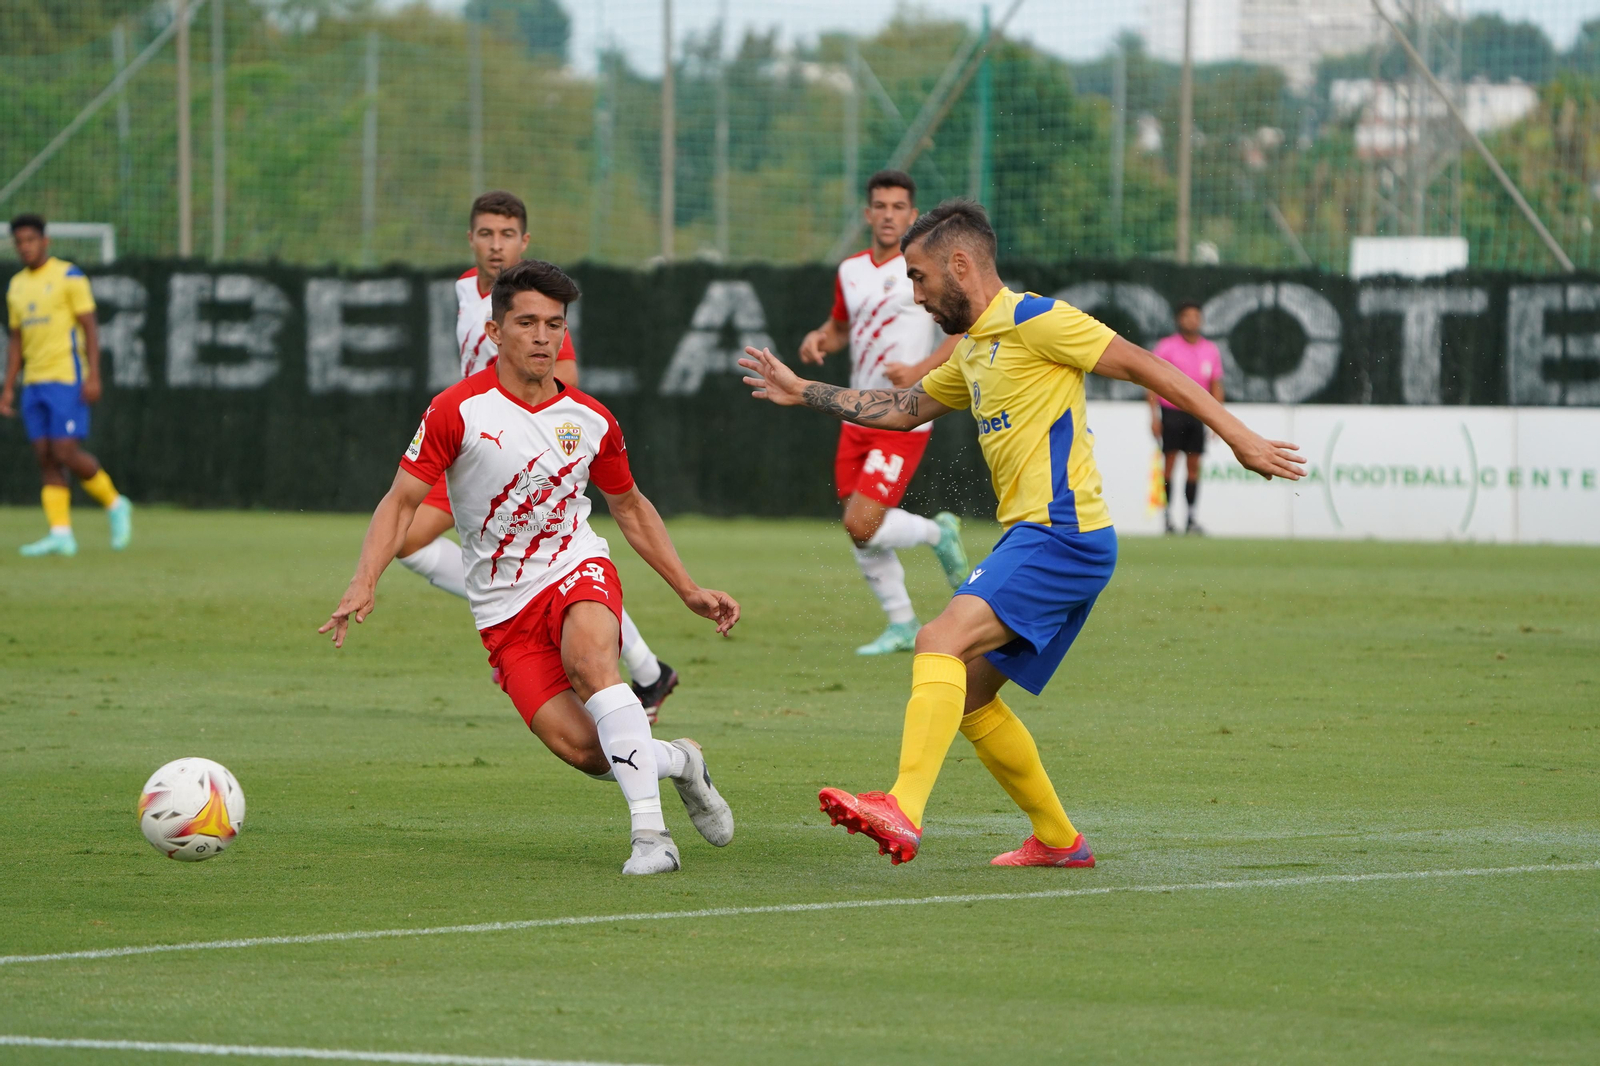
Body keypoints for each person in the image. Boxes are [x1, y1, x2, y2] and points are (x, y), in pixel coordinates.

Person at [739, 200, 1303, 867]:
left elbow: (1150, 366)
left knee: (937, 639)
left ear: (959, 264)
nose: (914, 294)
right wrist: (803, 389)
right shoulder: (975, 349)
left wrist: (1238, 438)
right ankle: (1059, 841)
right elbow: (901, 409)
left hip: (1061, 533)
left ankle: (902, 807)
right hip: (1040, 538)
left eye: (919, 278)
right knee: (972, 698)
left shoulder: (1038, 320)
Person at [321, 260, 739, 875]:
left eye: (554, 324)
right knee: (590, 752)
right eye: (527, 323)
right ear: (495, 333)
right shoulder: (454, 411)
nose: (543, 337)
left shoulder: (592, 419)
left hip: (577, 567)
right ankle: (681, 761)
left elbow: (629, 507)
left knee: (593, 662)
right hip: (501, 608)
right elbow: (400, 500)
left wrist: (687, 588)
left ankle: (652, 840)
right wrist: (365, 578)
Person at [397, 191, 679, 719]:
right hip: (473, 443)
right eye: (486, 233)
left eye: (507, 235)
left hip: (520, 447)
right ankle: (625, 659)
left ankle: (641, 669)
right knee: (406, 539)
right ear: (471, 239)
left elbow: (563, 379)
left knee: (558, 566)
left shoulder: (532, 302)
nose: (496, 245)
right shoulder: (465, 290)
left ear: (524, 241)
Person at [798, 170, 970, 656]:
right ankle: (901, 623)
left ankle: (940, 532)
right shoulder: (850, 270)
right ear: (868, 213)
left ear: (913, 216)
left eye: (899, 207)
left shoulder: (925, 267)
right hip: (858, 414)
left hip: (906, 413)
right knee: (861, 533)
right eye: (881, 206)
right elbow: (838, 328)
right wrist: (819, 340)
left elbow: (960, 333)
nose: (889, 215)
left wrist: (919, 367)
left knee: (860, 523)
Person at [2, 213, 132, 557]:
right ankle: (61, 534)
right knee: (45, 457)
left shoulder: (69, 276)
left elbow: (90, 327)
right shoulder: (16, 286)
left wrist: (94, 375)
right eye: (20, 242)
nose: (25, 247)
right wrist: (8, 386)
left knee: (65, 451)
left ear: (45, 242)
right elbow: (16, 341)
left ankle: (116, 503)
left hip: (66, 378)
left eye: (31, 240)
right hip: (34, 382)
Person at [1148, 302, 1224, 535]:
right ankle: (1168, 518)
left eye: (1195, 316)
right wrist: (1154, 416)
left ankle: (1191, 518)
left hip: (1197, 413)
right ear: (1179, 319)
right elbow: (1151, 381)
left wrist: (1218, 419)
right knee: (1169, 465)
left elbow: (1216, 385)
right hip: (1171, 412)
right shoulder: (1167, 347)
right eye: (1187, 316)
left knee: (1194, 466)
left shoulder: (1210, 350)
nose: (1192, 320)